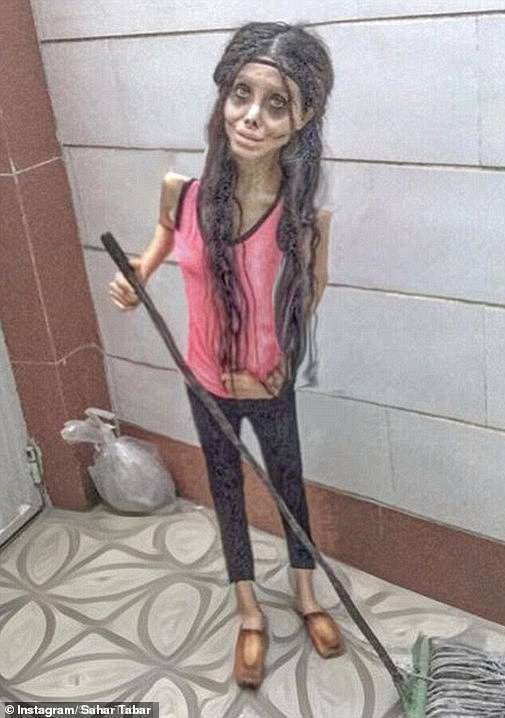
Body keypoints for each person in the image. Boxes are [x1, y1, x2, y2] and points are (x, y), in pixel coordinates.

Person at [108, 21, 343, 689]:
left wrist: (284, 359)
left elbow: (312, 288)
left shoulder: (304, 215)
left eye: (277, 103)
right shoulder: (182, 193)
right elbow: (157, 245)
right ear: (223, 95)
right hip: (205, 378)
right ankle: (248, 611)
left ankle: (305, 594)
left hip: (269, 380)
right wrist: (135, 277)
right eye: (242, 93)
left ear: (304, 119)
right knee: (227, 490)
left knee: (288, 484)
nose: (252, 116)